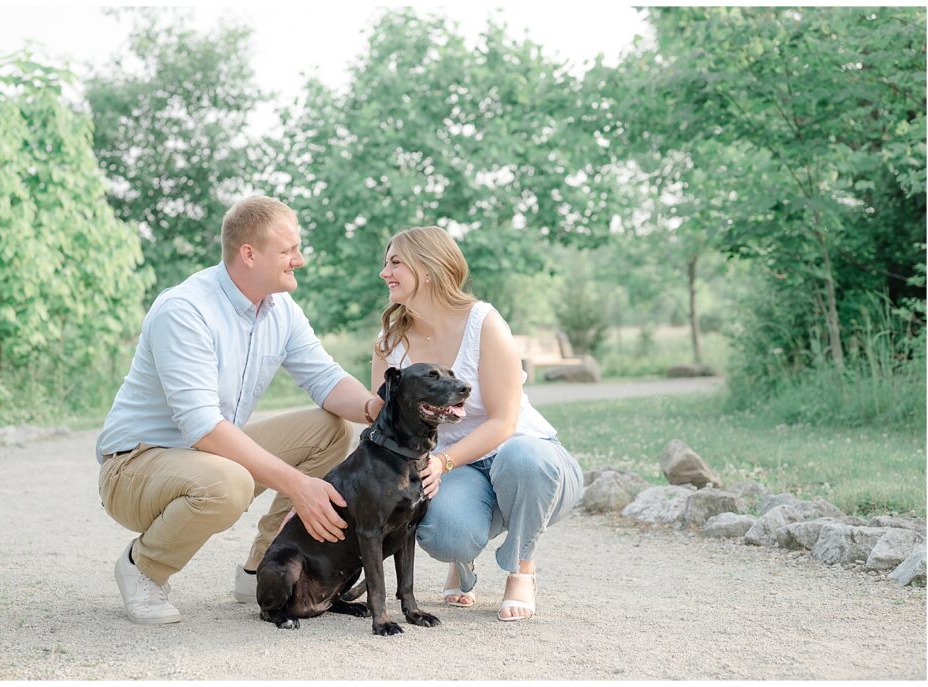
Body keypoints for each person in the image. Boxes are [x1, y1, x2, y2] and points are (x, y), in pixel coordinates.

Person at [96, 196, 381, 625]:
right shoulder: (186, 310)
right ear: (249, 254)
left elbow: (325, 379)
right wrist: (299, 486)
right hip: (134, 467)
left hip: (202, 457)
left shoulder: (280, 309)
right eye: (288, 251)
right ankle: (143, 568)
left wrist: (375, 407)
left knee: (330, 429)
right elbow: (203, 428)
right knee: (227, 481)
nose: (299, 260)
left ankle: (264, 567)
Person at [371, 226, 584, 622]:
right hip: (463, 471)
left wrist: (441, 462)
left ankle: (522, 567)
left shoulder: (483, 321)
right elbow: (383, 416)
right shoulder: (390, 338)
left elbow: (504, 422)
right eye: (385, 264)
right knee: (445, 534)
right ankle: (462, 560)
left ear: (429, 269)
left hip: (529, 460)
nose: (385, 272)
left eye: (395, 263)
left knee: (523, 458)